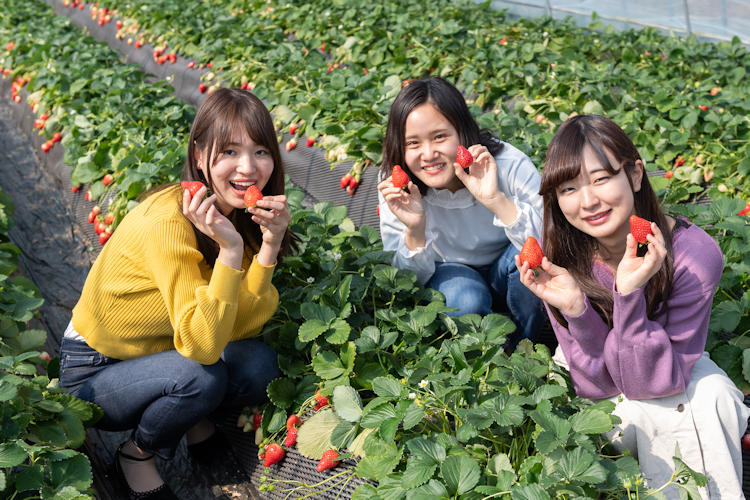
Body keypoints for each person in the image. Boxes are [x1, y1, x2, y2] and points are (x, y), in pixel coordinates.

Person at [58, 88, 292, 500]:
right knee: (202, 376)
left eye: (260, 151)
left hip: (168, 348)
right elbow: (203, 347)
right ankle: (137, 453)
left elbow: (240, 326)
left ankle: (187, 419)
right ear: (200, 155)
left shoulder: (243, 215)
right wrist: (232, 251)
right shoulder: (168, 220)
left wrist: (268, 246)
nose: (248, 167)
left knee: (259, 365)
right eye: (230, 152)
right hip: (96, 370)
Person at [516, 114, 749, 498]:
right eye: (569, 188)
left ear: (636, 174)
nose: (588, 201)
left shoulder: (693, 255)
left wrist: (628, 295)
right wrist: (577, 310)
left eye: (601, 178)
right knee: (700, 405)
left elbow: (658, 381)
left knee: (708, 400)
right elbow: (597, 385)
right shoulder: (562, 255)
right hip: (596, 381)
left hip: (671, 362)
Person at [377, 77, 546, 347]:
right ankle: (486, 357)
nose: (429, 154)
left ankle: (531, 347)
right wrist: (415, 228)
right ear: (399, 145)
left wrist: (494, 198)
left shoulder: (509, 165)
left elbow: (549, 245)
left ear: (463, 131)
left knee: (527, 255)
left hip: (507, 264)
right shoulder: (396, 186)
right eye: (413, 143)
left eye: (439, 136)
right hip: (449, 270)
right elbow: (407, 281)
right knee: (466, 300)